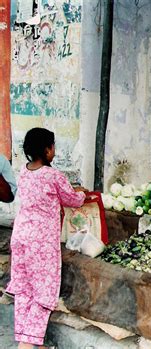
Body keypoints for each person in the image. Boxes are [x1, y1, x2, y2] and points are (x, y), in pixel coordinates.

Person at [5, 128, 87, 349]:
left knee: (24, 290)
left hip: (20, 238)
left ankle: (31, 340)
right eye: (53, 146)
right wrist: (83, 193)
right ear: (47, 149)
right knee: (43, 291)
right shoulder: (53, 176)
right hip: (41, 244)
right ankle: (26, 345)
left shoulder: (23, 171)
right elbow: (72, 200)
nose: (54, 150)